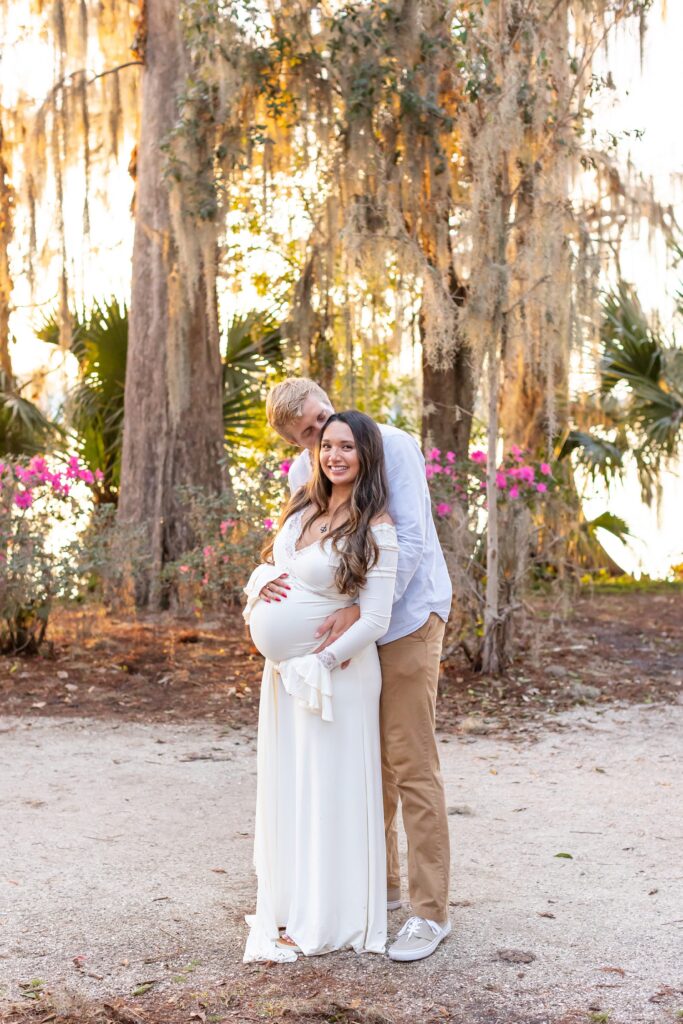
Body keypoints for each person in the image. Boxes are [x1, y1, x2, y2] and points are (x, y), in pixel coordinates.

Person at [263, 379, 453, 963]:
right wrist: (263, 586)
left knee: (408, 758)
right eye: (311, 436)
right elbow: (294, 553)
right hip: (343, 643)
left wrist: (359, 611)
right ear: (297, 443)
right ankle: (380, 887)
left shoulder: (391, 444)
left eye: (324, 420)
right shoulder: (307, 474)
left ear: (327, 398)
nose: (325, 439)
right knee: (364, 760)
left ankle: (429, 913)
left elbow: (412, 539)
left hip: (404, 620)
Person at [243, 411, 399, 962]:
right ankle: (293, 903)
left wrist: (323, 662)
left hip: (335, 679)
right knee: (296, 788)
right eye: (328, 446)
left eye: (348, 448)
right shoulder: (305, 506)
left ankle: (330, 917)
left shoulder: (374, 525)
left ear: (366, 457)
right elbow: (274, 565)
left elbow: (375, 619)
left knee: (329, 794)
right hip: (288, 677)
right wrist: (261, 582)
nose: (334, 456)